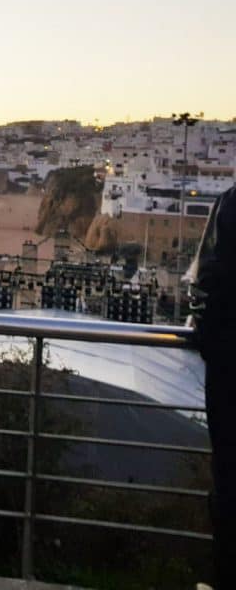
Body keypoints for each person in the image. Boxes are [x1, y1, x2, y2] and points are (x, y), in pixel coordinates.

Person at [190, 185, 236, 589]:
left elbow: (207, 283)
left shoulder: (231, 202)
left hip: (227, 371)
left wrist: (208, 339)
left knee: (228, 482)